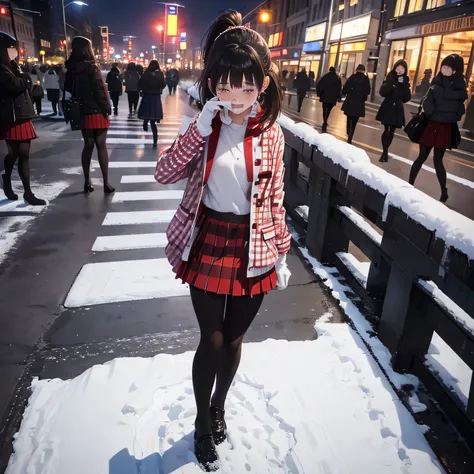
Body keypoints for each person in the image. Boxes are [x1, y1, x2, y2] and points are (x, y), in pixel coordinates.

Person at [155, 9, 292, 471]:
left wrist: (283, 254)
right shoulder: (205, 126)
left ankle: (219, 407)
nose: (236, 96)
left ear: (263, 86)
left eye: (247, 86)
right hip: (210, 238)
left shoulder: (271, 133)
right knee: (210, 340)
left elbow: (275, 199)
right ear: (213, 82)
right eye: (226, 85)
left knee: (233, 340)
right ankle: (199, 422)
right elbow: (164, 173)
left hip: (255, 246)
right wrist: (199, 129)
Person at [409, 54, 467, 203]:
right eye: (443, 66)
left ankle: (444, 191)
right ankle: (408, 185)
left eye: (447, 67)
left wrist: (443, 110)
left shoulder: (459, 86)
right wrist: (434, 112)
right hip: (431, 123)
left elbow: (459, 110)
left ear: (455, 71)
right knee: (421, 156)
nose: (444, 69)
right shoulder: (436, 81)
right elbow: (427, 102)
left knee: (438, 160)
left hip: (444, 127)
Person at [65, 36, 114, 194]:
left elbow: (67, 90)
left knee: (88, 145)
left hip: (83, 111)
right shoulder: (92, 67)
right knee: (101, 146)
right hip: (98, 111)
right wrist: (107, 108)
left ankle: (87, 182)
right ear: (87, 49)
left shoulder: (71, 69)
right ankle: (106, 183)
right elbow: (100, 90)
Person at [0, 33, 45, 205]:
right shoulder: (2, 67)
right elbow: (15, 84)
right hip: (10, 115)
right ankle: (7, 178)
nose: (14, 51)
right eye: (11, 47)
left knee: (24, 153)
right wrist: (25, 79)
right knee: (14, 153)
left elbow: (23, 84)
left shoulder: (13, 65)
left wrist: (24, 78)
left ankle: (27, 192)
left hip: (23, 114)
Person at [376, 59, 411, 162]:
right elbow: (382, 92)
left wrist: (403, 85)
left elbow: (406, 98)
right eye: (398, 67)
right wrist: (392, 86)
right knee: (386, 130)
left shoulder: (405, 80)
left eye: (402, 68)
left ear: (405, 70)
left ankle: (385, 152)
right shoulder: (390, 77)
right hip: (388, 105)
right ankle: (385, 152)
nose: (399, 69)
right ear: (395, 68)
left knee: (392, 131)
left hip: (397, 108)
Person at [138, 60, 166, 149]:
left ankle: (145, 122)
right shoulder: (160, 74)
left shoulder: (146, 73)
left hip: (147, 96)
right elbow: (163, 85)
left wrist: (142, 90)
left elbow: (140, 83)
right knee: (153, 121)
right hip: (156, 97)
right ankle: (155, 141)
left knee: (146, 113)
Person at [341, 64, 371, 144]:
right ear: (363, 71)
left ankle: (348, 132)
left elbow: (346, 88)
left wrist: (345, 93)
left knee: (349, 118)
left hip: (350, 101)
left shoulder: (352, 77)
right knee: (354, 121)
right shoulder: (365, 79)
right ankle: (350, 135)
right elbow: (368, 91)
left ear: (357, 70)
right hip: (359, 103)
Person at [316, 66, 342, 133]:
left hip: (325, 96)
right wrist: (339, 97)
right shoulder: (337, 78)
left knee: (324, 108)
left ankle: (324, 121)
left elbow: (320, 86)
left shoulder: (325, 77)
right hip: (333, 97)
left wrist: (319, 94)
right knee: (329, 110)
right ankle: (325, 119)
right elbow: (339, 89)